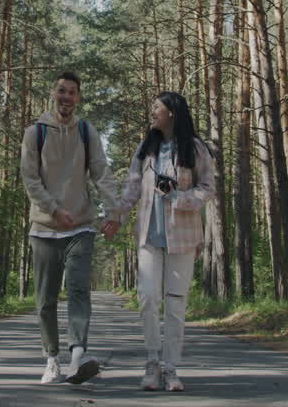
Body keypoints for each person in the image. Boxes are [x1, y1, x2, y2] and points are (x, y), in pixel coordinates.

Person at [100, 91, 216, 392]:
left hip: (183, 237)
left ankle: (171, 368)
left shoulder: (196, 147)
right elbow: (131, 187)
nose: (152, 112)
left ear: (172, 113)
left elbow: (207, 188)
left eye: (157, 108)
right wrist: (116, 217)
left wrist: (179, 197)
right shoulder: (146, 147)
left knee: (175, 305)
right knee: (148, 298)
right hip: (149, 236)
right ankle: (152, 362)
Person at [20, 71, 118, 385]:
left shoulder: (87, 132)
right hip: (44, 228)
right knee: (45, 299)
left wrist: (113, 212)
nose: (66, 97)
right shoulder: (35, 133)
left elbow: (101, 172)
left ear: (78, 98)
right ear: (53, 94)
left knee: (78, 290)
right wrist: (53, 209)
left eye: (72, 92)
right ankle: (52, 359)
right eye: (62, 91)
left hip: (80, 226)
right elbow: (30, 178)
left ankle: (77, 357)